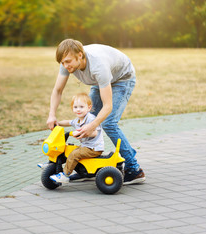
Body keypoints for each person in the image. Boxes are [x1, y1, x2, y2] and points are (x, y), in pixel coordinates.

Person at [47, 39, 145, 185]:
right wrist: (52, 114)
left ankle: (134, 169)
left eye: (68, 62)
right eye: (62, 63)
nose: (65, 66)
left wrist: (92, 126)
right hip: (99, 81)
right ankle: (86, 170)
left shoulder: (98, 66)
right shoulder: (66, 62)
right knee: (87, 117)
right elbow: (58, 90)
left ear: (80, 55)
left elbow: (108, 106)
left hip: (122, 79)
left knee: (108, 123)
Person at [50, 93, 104, 183]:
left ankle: (65, 174)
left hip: (94, 148)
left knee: (74, 154)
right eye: (75, 107)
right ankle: (53, 163)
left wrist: (82, 133)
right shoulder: (78, 120)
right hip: (86, 147)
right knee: (68, 150)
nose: (78, 110)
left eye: (81, 107)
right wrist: (57, 123)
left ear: (89, 108)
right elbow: (68, 122)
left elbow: (95, 133)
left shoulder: (91, 119)